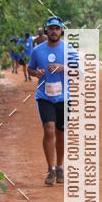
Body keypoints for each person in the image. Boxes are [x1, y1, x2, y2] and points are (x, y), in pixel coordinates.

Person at [28, 16, 74, 185]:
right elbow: (30, 69)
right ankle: (51, 169)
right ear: (46, 30)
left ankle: (60, 167)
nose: (54, 31)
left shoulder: (69, 49)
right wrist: (35, 73)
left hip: (64, 98)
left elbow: (80, 72)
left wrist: (64, 68)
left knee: (60, 133)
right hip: (44, 97)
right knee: (49, 130)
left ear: (61, 30)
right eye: (51, 28)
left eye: (57, 28)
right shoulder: (37, 51)